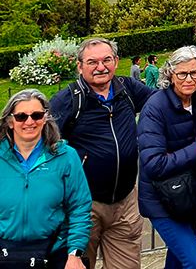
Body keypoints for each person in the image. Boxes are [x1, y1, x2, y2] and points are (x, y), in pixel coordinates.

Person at [51, 37, 154, 269]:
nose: (101, 67)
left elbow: (159, 103)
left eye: (107, 60)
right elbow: (42, 143)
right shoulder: (68, 100)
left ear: (116, 61)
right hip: (84, 208)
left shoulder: (127, 89)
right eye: (92, 62)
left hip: (126, 202)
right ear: (79, 66)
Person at [138, 46, 196, 269]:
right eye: (182, 74)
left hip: (191, 196)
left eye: (194, 73)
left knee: (178, 260)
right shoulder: (155, 108)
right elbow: (155, 165)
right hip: (162, 200)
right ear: (170, 75)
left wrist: (186, 162)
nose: (189, 79)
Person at [0, 89, 92, 269]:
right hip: (5, 252)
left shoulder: (66, 156)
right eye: (21, 117)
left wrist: (75, 253)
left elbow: (80, 207)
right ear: (10, 122)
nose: (29, 122)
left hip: (53, 251)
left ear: (45, 118)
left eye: (36, 115)